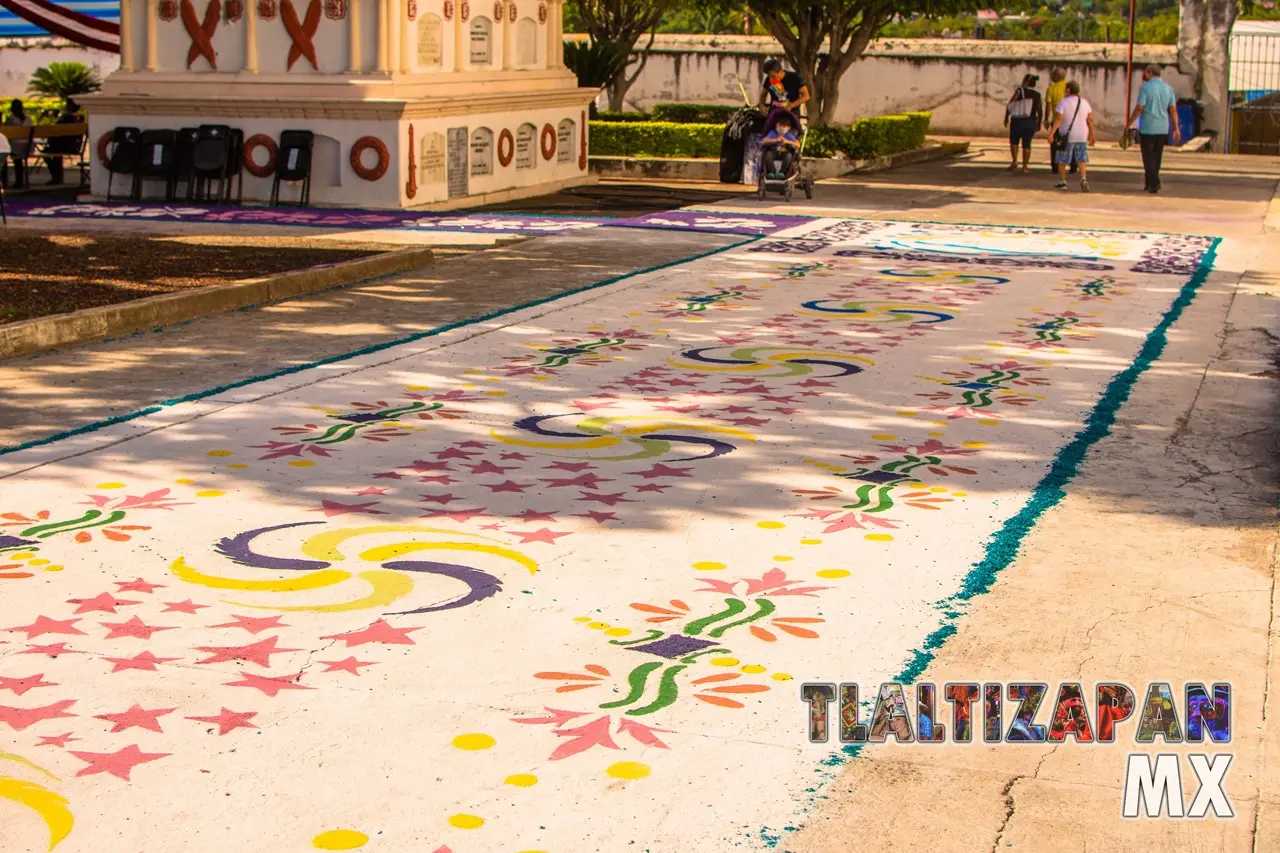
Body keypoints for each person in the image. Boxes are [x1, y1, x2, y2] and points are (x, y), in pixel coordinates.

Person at [1126, 64, 1180, 194]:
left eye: (1145, 72)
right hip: (1163, 128)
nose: (1144, 75)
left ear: (1150, 73)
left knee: (1148, 157)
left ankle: (1154, 182)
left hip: (1148, 128)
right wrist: (1176, 128)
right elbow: (1173, 109)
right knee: (1156, 156)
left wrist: (1129, 123)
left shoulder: (1145, 88)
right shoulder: (1168, 89)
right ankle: (1149, 183)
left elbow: (1140, 107)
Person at [1048, 81, 1096, 192]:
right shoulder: (1085, 102)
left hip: (1067, 135)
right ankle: (1083, 179)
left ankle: (1062, 182)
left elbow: (1058, 119)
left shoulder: (1063, 103)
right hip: (1082, 135)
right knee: (1081, 158)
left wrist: (1052, 133)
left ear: (1068, 90)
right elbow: (1090, 120)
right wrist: (1092, 135)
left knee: (1062, 159)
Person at [758, 58, 809, 136]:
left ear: (780, 72)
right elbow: (763, 95)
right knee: (770, 136)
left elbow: (806, 96)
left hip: (791, 114)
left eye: (773, 76)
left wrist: (791, 105)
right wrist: (762, 105)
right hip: (775, 114)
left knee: (790, 137)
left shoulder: (794, 78)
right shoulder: (769, 79)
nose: (771, 79)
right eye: (769, 76)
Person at [1003, 73, 1042, 174]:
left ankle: (1015, 161)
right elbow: (1040, 111)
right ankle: (1025, 167)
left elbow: (1011, 104)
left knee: (1014, 141)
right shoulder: (1037, 95)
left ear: (1025, 81)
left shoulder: (1020, 91)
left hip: (1018, 121)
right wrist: (1039, 123)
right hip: (1031, 122)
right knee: (1027, 144)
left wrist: (1006, 117)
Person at [41, 98, 84, 185]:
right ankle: (57, 178)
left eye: (67, 105)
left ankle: (56, 177)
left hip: (65, 146)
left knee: (47, 153)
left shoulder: (67, 117)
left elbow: (58, 129)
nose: (66, 106)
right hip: (73, 146)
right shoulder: (80, 117)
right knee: (54, 154)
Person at [1043, 68, 1075, 173]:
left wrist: (1046, 119)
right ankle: (1073, 165)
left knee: (1055, 143)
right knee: (1070, 142)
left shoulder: (1051, 89)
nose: (1051, 76)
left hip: (1056, 120)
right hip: (1070, 120)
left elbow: (1048, 105)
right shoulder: (1070, 88)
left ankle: (1055, 166)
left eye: (1053, 74)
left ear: (1057, 76)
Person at [1, 98, 32, 190]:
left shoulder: (11, 120)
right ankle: (19, 181)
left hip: (15, 148)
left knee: (3, 155)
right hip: (27, 147)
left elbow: (5, 133)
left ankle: (5, 181)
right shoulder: (28, 119)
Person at [760, 113, 801, 179]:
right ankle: (772, 172)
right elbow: (764, 140)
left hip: (785, 153)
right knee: (768, 155)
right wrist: (775, 140)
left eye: (784, 126)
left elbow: (798, 144)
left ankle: (782, 173)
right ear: (777, 125)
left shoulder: (789, 135)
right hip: (774, 152)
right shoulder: (773, 132)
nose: (781, 128)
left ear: (788, 128)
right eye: (780, 125)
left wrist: (787, 141)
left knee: (789, 156)